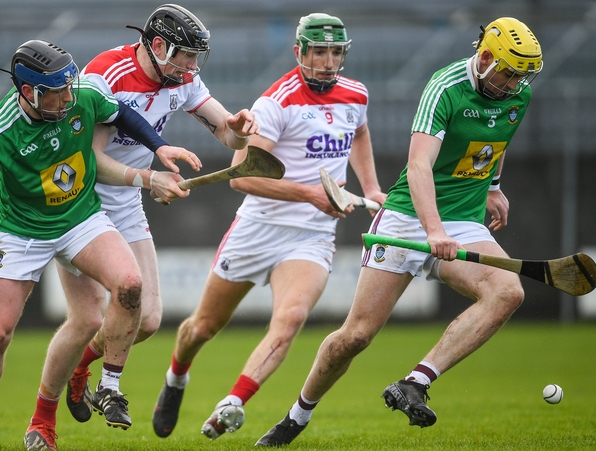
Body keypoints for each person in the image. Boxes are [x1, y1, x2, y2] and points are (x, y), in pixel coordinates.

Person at [255, 16, 543, 447]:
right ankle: (296, 417)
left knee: (508, 292)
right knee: (355, 336)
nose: (514, 84)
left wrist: (494, 188)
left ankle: (416, 382)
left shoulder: (518, 94)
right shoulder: (445, 87)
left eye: (523, 76)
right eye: (508, 72)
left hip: (462, 219)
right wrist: (432, 231)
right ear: (484, 58)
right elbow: (420, 165)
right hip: (408, 217)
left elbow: (495, 141)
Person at [0, 39, 198, 451]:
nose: (68, 97)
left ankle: (106, 387)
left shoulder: (82, 92)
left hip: (81, 217)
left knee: (130, 285)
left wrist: (159, 147)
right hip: (21, 231)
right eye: (56, 92)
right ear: (28, 92)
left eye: (69, 86)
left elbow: (124, 115)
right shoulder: (0, 127)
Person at [152, 12, 385, 440]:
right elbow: (242, 177)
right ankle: (175, 379)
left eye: (336, 51)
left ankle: (233, 402)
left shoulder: (356, 94)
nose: (329, 61)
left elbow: (362, 133)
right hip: (257, 228)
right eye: (319, 51)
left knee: (291, 318)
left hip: (313, 235)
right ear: (299, 52)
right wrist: (311, 193)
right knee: (202, 327)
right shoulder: (277, 102)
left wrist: (370, 186)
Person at [57, 3, 258, 429]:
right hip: (80, 199)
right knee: (89, 317)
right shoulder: (106, 74)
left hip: (126, 201)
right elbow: (89, 161)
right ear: (159, 45)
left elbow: (224, 130)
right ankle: (49, 410)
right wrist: (149, 180)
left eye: (195, 58)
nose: (191, 67)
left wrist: (239, 127)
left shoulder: (182, 78)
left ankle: (81, 369)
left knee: (147, 320)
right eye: (185, 55)